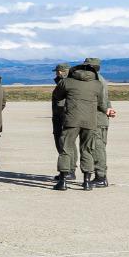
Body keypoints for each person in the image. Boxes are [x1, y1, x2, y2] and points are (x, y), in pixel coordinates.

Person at [53, 61, 111, 191]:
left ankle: (63, 181)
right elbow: (102, 103)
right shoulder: (97, 83)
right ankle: (86, 182)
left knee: (66, 148)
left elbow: (57, 96)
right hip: (90, 121)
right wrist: (108, 109)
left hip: (71, 120)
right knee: (87, 150)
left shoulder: (67, 82)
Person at [85, 57, 115, 187]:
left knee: (98, 148)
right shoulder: (98, 79)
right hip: (99, 118)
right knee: (96, 147)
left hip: (98, 119)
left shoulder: (97, 80)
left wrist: (106, 109)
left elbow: (101, 101)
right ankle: (99, 175)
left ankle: (101, 177)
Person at [50, 63, 69, 180]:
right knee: (62, 144)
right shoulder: (62, 82)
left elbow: (61, 101)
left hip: (62, 117)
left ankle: (68, 170)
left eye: (57, 71)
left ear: (61, 71)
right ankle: (68, 170)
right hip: (59, 117)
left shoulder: (65, 83)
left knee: (64, 144)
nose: (57, 73)